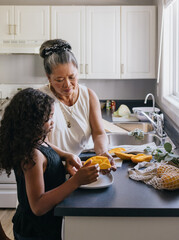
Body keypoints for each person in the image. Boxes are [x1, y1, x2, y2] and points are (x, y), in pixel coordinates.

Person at [0, 88, 99, 240]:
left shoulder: (37, 138)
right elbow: (38, 206)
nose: (53, 121)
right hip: (36, 231)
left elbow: (48, 146)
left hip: (48, 223)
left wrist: (66, 155)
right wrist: (76, 181)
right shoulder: (32, 156)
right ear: (33, 122)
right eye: (49, 118)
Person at [39, 39, 116, 171]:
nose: (67, 84)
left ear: (78, 72)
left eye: (72, 77)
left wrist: (103, 153)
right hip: (53, 166)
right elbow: (41, 143)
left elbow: (98, 133)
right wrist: (66, 157)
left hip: (82, 162)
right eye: (59, 79)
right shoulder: (40, 99)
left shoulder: (89, 96)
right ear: (48, 77)